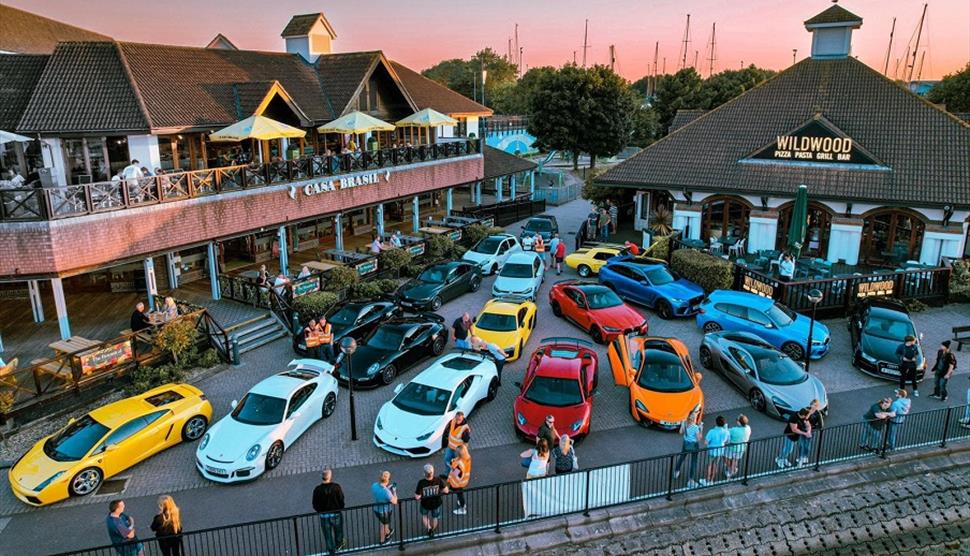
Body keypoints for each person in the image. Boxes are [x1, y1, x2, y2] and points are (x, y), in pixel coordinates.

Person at [312, 469, 345, 555]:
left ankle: (331, 550)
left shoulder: (317, 489)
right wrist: (340, 508)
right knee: (338, 531)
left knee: (327, 535)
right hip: (336, 513)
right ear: (330, 476)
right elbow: (341, 499)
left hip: (324, 516)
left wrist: (319, 511)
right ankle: (339, 545)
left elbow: (315, 504)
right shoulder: (336, 487)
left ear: (322, 477)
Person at [415, 464, 448, 538]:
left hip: (425, 503)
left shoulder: (421, 482)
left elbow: (417, 497)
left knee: (424, 516)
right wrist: (440, 490)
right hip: (436, 503)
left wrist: (421, 495)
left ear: (424, 473)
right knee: (435, 517)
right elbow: (446, 491)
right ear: (433, 472)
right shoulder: (438, 479)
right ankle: (433, 530)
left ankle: (429, 529)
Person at [673, 409, 703, 487]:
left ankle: (676, 471)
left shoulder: (684, 423)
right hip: (694, 445)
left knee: (682, 457)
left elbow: (680, 432)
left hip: (685, 443)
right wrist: (701, 429)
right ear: (694, 418)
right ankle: (691, 479)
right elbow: (699, 438)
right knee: (694, 461)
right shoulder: (696, 427)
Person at [371, 471, 397, 545]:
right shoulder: (387, 492)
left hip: (377, 509)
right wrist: (394, 492)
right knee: (384, 525)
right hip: (385, 511)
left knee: (383, 524)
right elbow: (394, 501)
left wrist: (387, 488)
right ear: (388, 480)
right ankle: (385, 538)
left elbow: (380, 491)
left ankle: (384, 537)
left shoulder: (374, 485)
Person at [701, 416, 729, 485]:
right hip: (720, 451)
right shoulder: (726, 432)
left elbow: (706, 442)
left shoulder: (712, 431)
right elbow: (727, 441)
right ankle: (711, 480)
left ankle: (707, 480)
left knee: (709, 465)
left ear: (716, 423)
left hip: (712, 451)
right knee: (715, 465)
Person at [448, 444, 472, 515]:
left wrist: (452, 467)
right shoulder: (467, 458)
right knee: (460, 494)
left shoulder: (460, 464)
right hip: (464, 480)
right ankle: (461, 503)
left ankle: (462, 508)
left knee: (460, 494)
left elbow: (458, 475)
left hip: (458, 483)